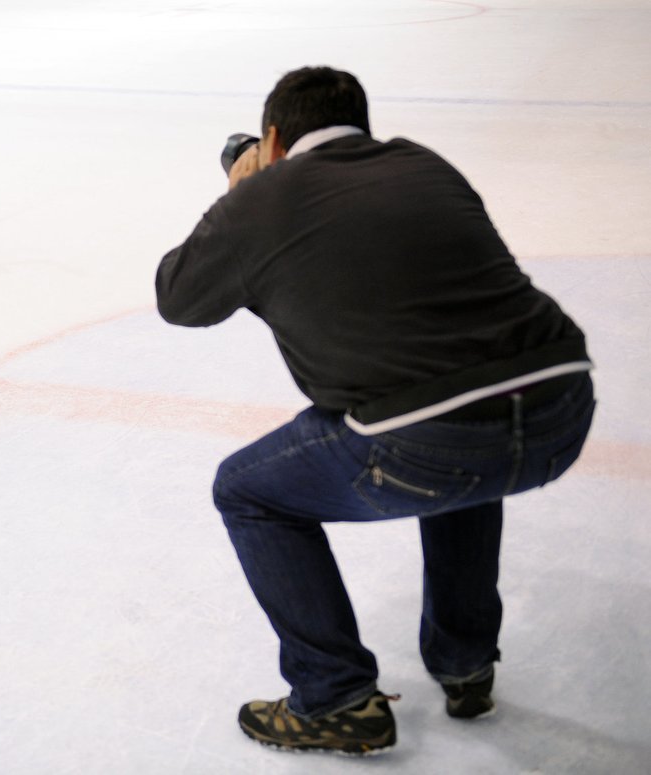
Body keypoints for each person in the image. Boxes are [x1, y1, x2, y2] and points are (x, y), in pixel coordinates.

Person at [155, 66, 595, 756]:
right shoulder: (423, 163)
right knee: (463, 425)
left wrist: (244, 192)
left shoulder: (264, 194)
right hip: (562, 406)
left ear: (272, 137)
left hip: (426, 440)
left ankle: (333, 695)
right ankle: (465, 662)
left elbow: (178, 297)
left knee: (247, 490)